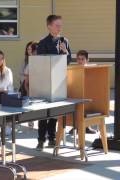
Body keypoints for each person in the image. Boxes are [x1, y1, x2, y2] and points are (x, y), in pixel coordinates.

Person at [36, 15, 72, 151]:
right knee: (43, 113)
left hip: (59, 82)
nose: (59, 28)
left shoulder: (65, 41)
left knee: (55, 113)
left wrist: (65, 51)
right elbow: (41, 62)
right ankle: (41, 140)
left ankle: (51, 138)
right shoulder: (43, 42)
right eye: (57, 25)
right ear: (49, 26)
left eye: (60, 25)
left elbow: (68, 61)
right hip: (45, 82)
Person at [67, 50, 97, 134]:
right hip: (76, 93)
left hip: (88, 92)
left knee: (87, 107)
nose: (80, 61)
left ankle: (87, 126)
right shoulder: (73, 69)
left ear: (87, 60)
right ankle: (75, 126)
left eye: (82, 59)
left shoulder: (91, 69)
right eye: (78, 59)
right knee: (77, 108)